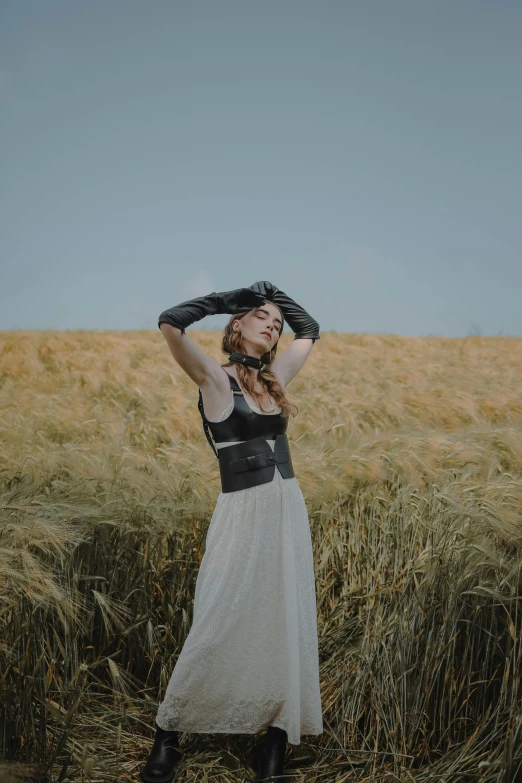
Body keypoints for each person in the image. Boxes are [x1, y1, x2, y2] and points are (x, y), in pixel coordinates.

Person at [139, 281, 323, 783]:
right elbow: (170, 320)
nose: (274, 323)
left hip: (287, 509)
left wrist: (276, 293)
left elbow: (310, 330)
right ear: (237, 324)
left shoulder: (276, 378)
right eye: (261, 316)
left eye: (276, 323)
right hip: (242, 512)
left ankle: (273, 749)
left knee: (285, 623)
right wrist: (230, 299)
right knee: (217, 620)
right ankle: (168, 735)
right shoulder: (215, 381)